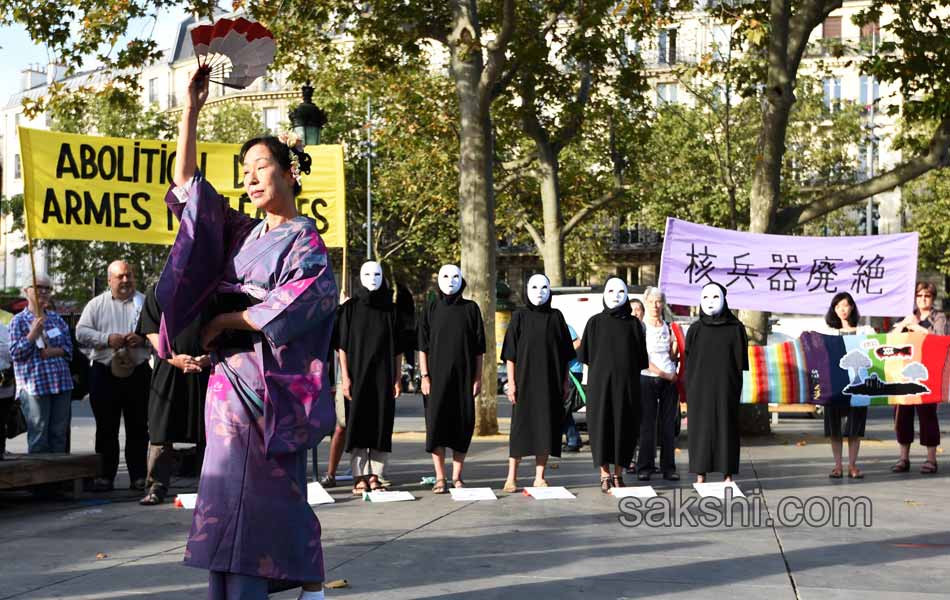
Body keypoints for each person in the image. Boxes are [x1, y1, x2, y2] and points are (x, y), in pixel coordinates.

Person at [158, 67, 337, 600]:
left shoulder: (307, 244)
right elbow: (189, 191)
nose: (251, 178)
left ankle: (276, 583)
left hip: (267, 387)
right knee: (223, 490)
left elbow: (294, 304)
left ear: (290, 174)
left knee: (259, 493)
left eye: (262, 166)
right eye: (245, 171)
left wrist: (222, 321)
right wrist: (190, 109)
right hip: (226, 384)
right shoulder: (241, 230)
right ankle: (240, 589)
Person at [76, 260, 150, 492]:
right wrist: (107, 339)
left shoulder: (145, 303)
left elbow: (162, 331)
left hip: (137, 372)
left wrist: (144, 339)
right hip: (104, 373)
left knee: (138, 427)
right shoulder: (96, 304)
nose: (126, 280)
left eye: (129, 275)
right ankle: (105, 476)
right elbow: (81, 332)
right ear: (110, 280)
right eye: (120, 277)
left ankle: (139, 476)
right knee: (106, 428)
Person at [335, 261, 406, 494]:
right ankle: (359, 476)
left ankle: (376, 475)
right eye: (367, 273)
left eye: (377, 273)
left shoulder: (391, 310)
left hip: (383, 377)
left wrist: (397, 377)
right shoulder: (349, 309)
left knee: (381, 424)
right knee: (358, 424)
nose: (373, 278)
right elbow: (341, 346)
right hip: (357, 376)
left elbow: (398, 348)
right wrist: (345, 377)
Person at [136, 286, 211, 505]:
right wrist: (172, 357)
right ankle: (156, 485)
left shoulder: (213, 288)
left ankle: (210, 485)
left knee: (209, 429)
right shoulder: (160, 290)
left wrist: (209, 357)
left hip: (205, 368)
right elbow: (150, 330)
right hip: (169, 367)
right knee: (161, 429)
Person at [501, 274, 575, 492]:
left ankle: (539, 476)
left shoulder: (556, 317)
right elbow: (510, 355)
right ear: (527, 290)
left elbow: (564, 354)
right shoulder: (519, 317)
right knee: (519, 429)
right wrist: (511, 383)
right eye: (534, 287)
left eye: (544, 287)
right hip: (524, 383)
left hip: (550, 383)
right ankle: (511, 477)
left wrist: (564, 381)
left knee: (546, 428)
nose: (540, 292)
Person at [418, 264, 485, 494]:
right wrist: (424, 376)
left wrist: (478, 377)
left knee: (462, 426)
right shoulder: (431, 308)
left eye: (455, 276)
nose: (450, 280)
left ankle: (457, 476)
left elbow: (479, 349)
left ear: (462, 280)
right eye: (445, 276)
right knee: (437, 426)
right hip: (436, 379)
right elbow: (422, 347)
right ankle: (440, 477)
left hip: (463, 379)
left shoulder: (471, 309)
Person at [578, 277, 648, 493]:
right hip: (601, 387)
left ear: (626, 294)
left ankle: (619, 473)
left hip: (627, 387)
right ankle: (604, 474)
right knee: (602, 428)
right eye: (611, 290)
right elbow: (587, 356)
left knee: (624, 428)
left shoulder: (634, 324)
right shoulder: (594, 323)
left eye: (621, 291)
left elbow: (639, 358)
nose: (616, 295)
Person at [686, 282, 748, 484]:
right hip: (699, 387)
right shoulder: (695, 329)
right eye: (705, 297)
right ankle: (700, 473)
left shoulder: (736, 328)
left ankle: (727, 474)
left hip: (726, 386)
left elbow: (740, 363)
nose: (710, 302)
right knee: (700, 428)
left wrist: (734, 386)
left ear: (724, 299)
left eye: (715, 297)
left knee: (726, 427)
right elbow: (689, 360)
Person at [9, 274, 74, 454]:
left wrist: (53, 351)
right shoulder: (18, 321)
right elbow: (15, 353)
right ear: (26, 291)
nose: (44, 291)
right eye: (38, 287)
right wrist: (32, 335)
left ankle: (58, 480)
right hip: (35, 387)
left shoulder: (56, 318)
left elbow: (69, 348)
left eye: (47, 288)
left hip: (61, 383)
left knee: (59, 434)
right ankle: (40, 481)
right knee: (39, 435)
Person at [891, 281, 945, 475]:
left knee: (927, 415)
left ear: (932, 298)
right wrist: (905, 324)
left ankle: (931, 459)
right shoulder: (907, 316)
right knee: (902, 416)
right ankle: (903, 458)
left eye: (927, 296)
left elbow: (940, 338)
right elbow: (891, 339)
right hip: (903, 373)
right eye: (920, 295)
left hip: (927, 373)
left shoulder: (938, 317)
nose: (923, 299)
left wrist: (918, 327)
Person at [821, 291, 875, 480]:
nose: (842, 309)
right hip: (834, 385)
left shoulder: (866, 331)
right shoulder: (828, 333)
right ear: (833, 310)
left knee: (855, 428)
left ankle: (852, 465)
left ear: (852, 306)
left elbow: (879, 349)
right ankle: (838, 466)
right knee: (834, 428)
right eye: (837, 306)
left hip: (859, 385)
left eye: (845, 305)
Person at [635, 287, 680, 482]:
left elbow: (671, 355)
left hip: (669, 380)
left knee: (668, 425)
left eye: (659, 301)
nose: (655, 305)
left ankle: (668, 467)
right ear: (646, 303)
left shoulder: (668, 326)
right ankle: (644, 466)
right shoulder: (640, 327)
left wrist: (676, 347)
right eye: (652, 301)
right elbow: (641, 358)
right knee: (647, 425)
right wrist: (662, 374)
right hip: (648, 378)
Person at [562, 324, 583, 453]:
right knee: (564, 408)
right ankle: (574, 439)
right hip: (565, 372)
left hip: (571, 372)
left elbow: (578, 343)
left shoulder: (564, 327)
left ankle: (573, 440)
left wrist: (563, 355)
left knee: (563, 408)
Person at [0, 321, 16, 458]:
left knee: (2, 421)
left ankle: (1, 451)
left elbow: (13, 352)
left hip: (5, 384)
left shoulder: (3, 328)